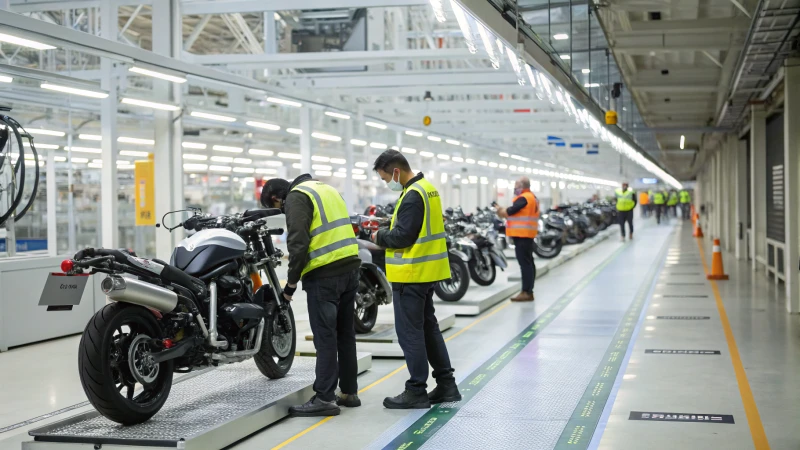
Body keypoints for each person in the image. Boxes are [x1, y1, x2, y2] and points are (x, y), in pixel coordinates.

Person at [262, 174, 362, 417]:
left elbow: (298, 243)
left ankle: (325, 397)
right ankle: (349, 392)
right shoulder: (325, 189)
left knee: (325, 336)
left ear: (278, 198)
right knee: (345, 334)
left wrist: (290, 285)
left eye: (276, 208)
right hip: (350, 267)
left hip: (325, 274)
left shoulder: (297, 197)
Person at [370, 150, 461, 409]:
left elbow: (402, 238)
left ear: (396, 171)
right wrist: (390, 224)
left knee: (410, 333)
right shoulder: (427, 189)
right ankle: (446, 385)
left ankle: (416, 390)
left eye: (385, 177)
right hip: (427, 272)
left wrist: (378, 236)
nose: (386, 182)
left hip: (411, 274)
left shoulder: (411, 196)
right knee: (429, 329)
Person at [496, 177, 539, 302]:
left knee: (525, 264)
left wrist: (500, 210)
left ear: (523, 186)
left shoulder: (524, 198)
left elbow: (510, 211)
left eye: (516, 186)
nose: (515, 188)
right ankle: (529, 290)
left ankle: (526, 291)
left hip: (522, 235)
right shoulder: (532, 197)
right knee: (529, 263)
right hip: (528, 234)